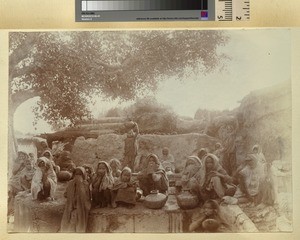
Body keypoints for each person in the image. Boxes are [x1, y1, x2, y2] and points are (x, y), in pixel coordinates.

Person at [60, 167, 91, 233]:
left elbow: (86, 198)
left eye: (80, 174)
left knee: (77, 218)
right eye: (76, 174)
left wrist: (80, 186)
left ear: (83, 175)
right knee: (68, 218)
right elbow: (65, 194)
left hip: (81, 206)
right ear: (73, 175)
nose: (78, 176)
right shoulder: (70, 183)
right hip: (71, 206)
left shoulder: (85, 184)